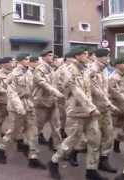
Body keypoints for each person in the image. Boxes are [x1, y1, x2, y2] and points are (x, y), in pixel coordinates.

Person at [48, 47, 107, 180]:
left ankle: (91, 170)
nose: (88, 56)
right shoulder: (69, 71)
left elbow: (93, 87)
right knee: (71, 142)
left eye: (87, 54)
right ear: (77, 56)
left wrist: (106, 102)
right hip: (76, 112)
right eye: (85, 54)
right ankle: (53, 162)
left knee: (94, 141)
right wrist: (91, 108)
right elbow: (76, 92)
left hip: (89, 113)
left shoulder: (86, 69)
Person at [89, 48, 118, 173]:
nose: (108, 59)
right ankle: (91, 167)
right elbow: (95, 90)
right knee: (95, 138)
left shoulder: (105, 69)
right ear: (100, 57)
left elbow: (106, 88)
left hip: (105, 108)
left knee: (108, 135)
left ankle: (103, 159)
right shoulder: (92, 70)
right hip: (95, 108)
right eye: (107, 56)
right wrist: (109, 103)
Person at [33, 50, 63, 151]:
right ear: (44, 57)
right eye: (49, 55)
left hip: (52, 101)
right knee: (37, 127)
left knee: (56, 126)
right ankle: (31, 148)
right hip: (42, 102)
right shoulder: (39, 69)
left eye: (52, 55)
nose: (52, 57)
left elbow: (55, 83)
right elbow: (42, 82)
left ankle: (57, 147)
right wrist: (55, 92)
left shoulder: (51, 68)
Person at [108, 58, 124, 162]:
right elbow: (117, 94)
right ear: (118, 65)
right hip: (116, 109)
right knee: (111, 131)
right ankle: (105, 152)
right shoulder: (113, 78)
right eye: (123, 63)